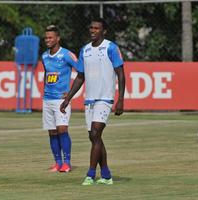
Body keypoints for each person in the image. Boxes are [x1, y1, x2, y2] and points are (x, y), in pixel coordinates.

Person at [60, 18, 126, 185]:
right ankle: (106, 174)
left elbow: (120, 73)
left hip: (105, 98)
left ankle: (90, 174)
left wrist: (120, 100)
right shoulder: (85, 50)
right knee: (94, 137)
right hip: (89, 100)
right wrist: (68, 98)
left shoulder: (111, 48)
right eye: (91, 28)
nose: (93, 30)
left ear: (104, 31)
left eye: (97, 28)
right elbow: (80, 76)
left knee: (96, 133)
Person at [41, 25, 78, 173]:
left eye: (50, 37)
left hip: (61, 100)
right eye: (46, 38)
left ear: (58, 38)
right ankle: (57, 163)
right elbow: (46, 74)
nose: (47, 40)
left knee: (62, 129)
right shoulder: (44, 56)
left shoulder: (67, 55)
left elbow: (81, 71)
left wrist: (69, 95)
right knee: (52, 132)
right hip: (47, 99)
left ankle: (67, 163)